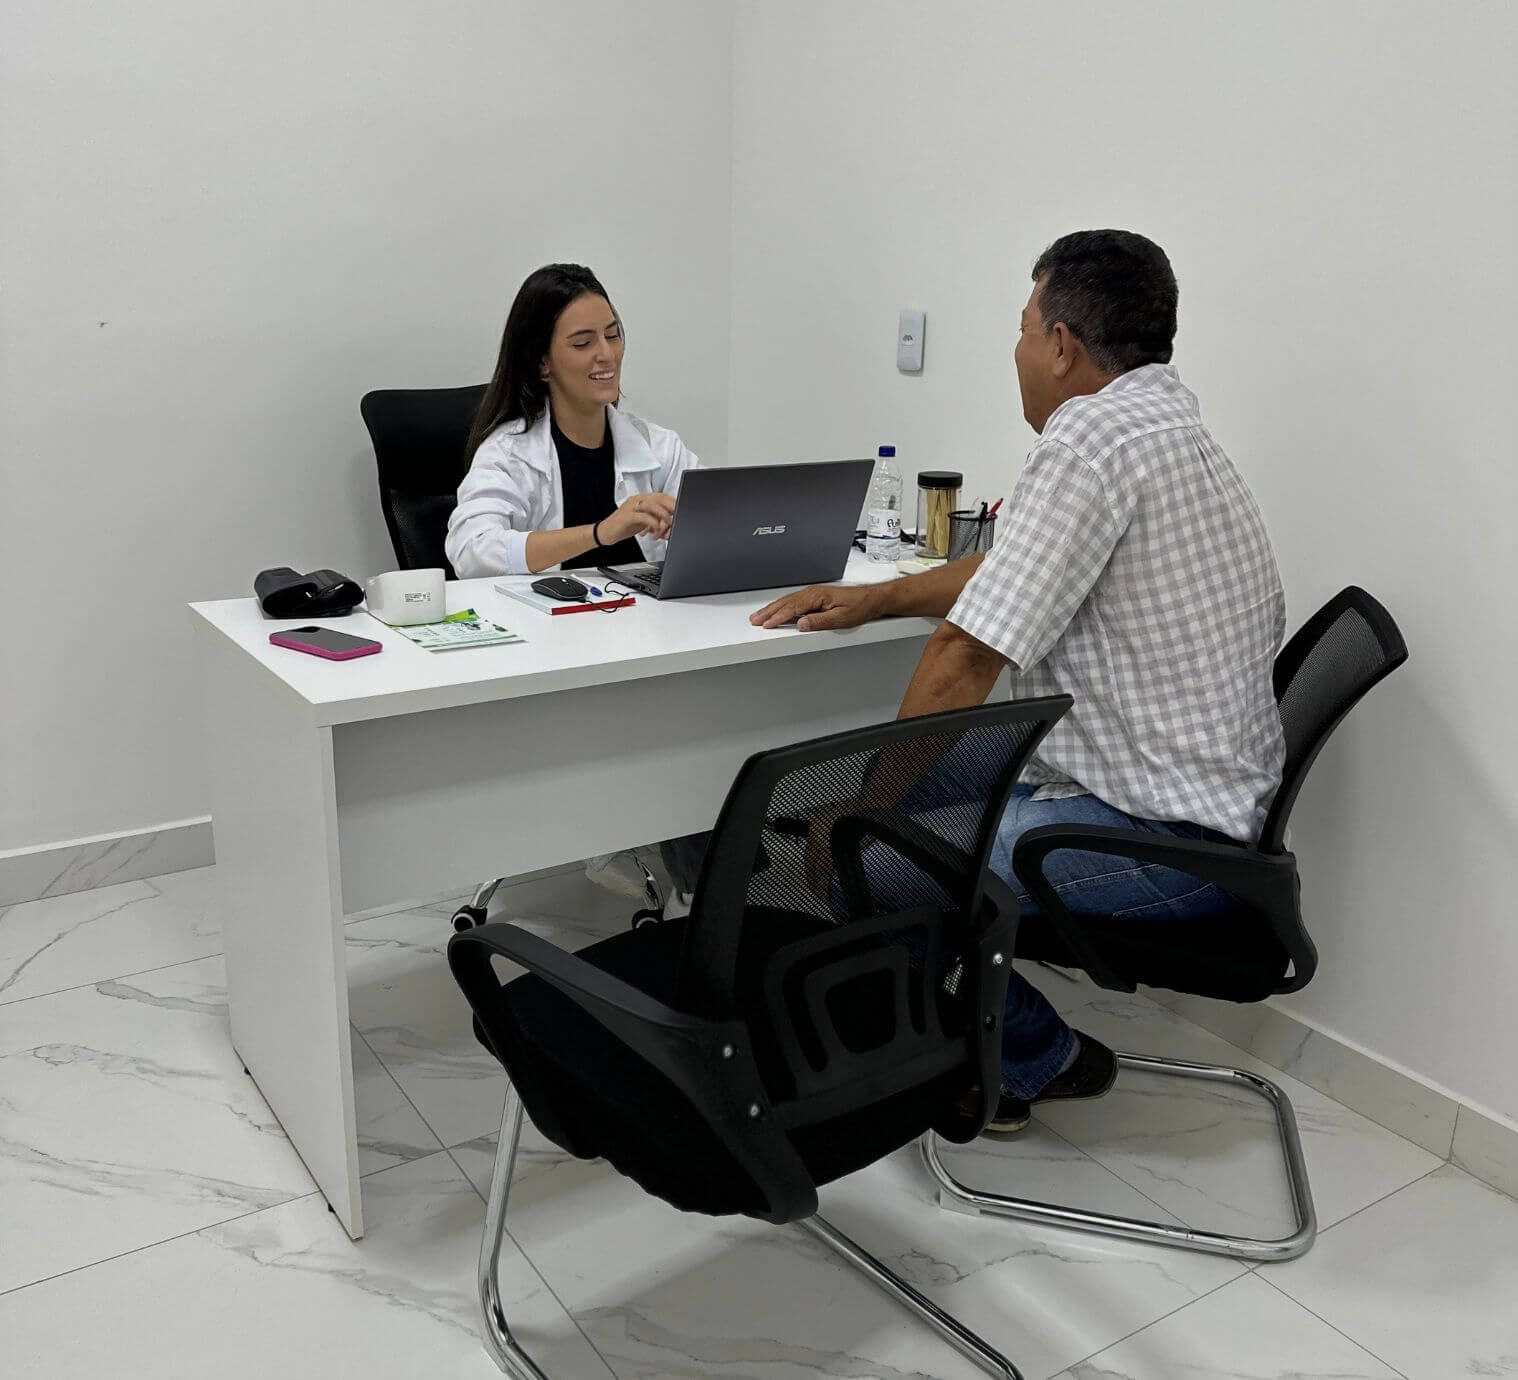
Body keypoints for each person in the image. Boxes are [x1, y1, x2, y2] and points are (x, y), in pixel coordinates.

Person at [751, 230, 1286, 1134]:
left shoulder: (1089, 440)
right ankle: (962, 1022)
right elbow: (1011, 568)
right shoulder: (1165, 421)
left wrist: (868, 809)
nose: (1019, 349)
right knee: (868, 795)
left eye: (1023, 328)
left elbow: (964, 658)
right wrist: (877, 599)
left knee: (856, 852)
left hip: (1163, 836)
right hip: (1192, 800)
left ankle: (1033, 1054)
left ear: (1062, 344)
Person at [448, 263, 703, 903]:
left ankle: (716, 884)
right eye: (583, 342)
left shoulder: (656, 447)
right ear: (542, 362)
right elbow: (471, 550)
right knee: (685, 725)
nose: (606, 355)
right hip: (545, 658)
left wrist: (700, 528)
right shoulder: (509, 453)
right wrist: (600, 531)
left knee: (709, 712)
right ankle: (698, 882)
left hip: (646, 647)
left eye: (613, 335)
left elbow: (717, 521)